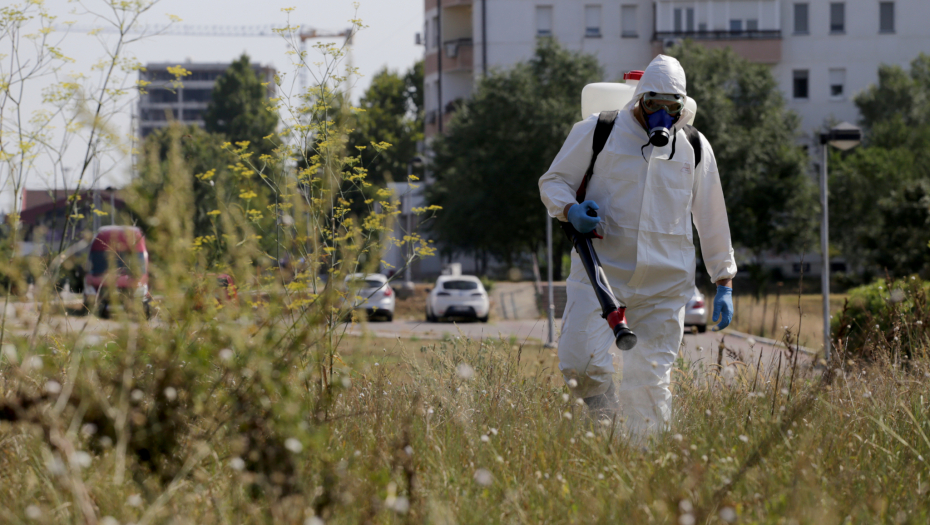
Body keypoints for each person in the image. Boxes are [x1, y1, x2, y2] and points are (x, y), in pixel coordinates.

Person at [538, 54, 736, 436]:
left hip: (666, 284)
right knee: (578, 363)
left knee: (649, 384)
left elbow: (712, 214)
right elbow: (553, 181)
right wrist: (571, 209)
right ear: (639, 98)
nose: (661, 114)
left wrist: (723, 280)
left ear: (682, 108)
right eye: (652, 104)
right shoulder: (599, 131)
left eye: (671, 106)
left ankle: (645, 466)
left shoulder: (693, 147)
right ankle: (603, 413)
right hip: (601, 273)